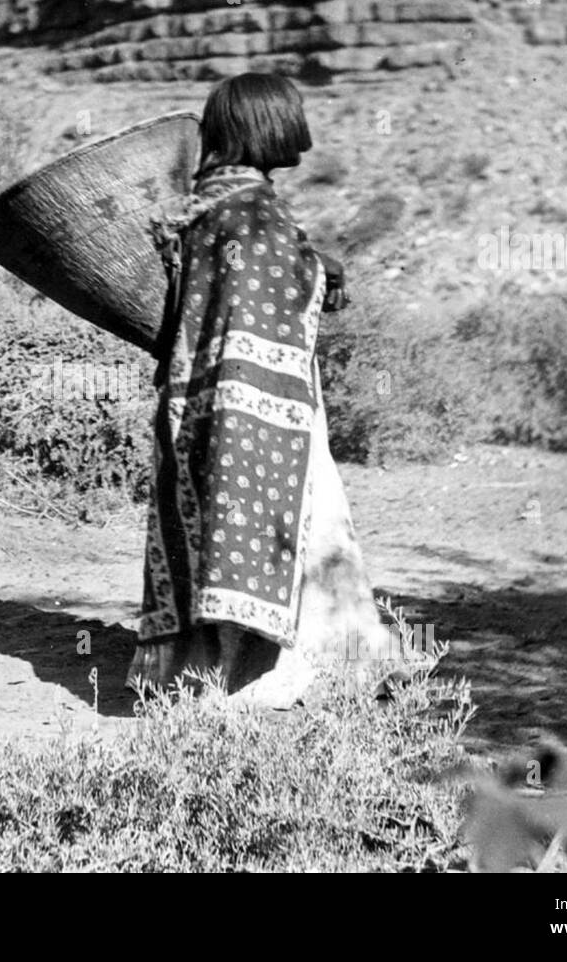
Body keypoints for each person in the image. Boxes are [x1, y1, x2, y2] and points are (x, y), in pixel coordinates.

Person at [127, 72, 389, 709]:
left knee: (210, 529)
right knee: (297, 530)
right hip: (266, 408)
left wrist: (312, 266)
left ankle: (194, 675)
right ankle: (282, 677)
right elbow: (271, 295)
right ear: (267, 126)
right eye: (292, 116)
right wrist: (320, 273)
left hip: (200, 404)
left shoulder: (206, 205)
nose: (301, 128)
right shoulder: (255, 211)